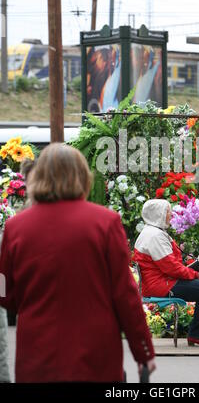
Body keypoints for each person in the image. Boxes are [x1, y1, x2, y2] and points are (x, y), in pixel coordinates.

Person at [0, 143, 155, 383]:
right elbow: (125, 294)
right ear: (82, 176)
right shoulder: (106, 223)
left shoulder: (15, 227)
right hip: (95, 354)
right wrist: (143, 351)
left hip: (38, 354)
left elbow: (4, 292)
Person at [133, 199, 199, 346]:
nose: (170, 214)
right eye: (167, 212)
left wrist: (190, 271)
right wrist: (195, 274)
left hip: (160, 282)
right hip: (162, 285)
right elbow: (171, 268)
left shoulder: (151, 232)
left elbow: (170, 265)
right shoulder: (155, 236)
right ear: (158, 214)